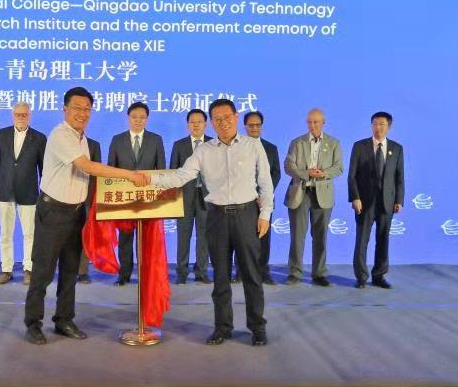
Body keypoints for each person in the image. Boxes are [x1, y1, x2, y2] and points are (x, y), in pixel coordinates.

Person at [144, 99, 274, 346]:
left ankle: (258, 327)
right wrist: (147, 179)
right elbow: (181, 176)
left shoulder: (252, 145)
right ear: (211, 122)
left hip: (247, 215)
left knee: (251, 275)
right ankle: (222, 327)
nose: (223, 122)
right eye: (217, 119)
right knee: (220, 277)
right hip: (216, 217)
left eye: (227, 117)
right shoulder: (204, 150)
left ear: (236, 117)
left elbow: (265, 182)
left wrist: (265, 214)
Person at [24, 87, 148, 345]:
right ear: (65, 109)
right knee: (43, 271)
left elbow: (87, 177)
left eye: (87, 109)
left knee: (71, 270)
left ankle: (64, 320)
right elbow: (87, 167)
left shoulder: (82, 138)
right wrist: (129, 175)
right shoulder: (61, 135)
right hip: (53, 211)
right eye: (77, 108)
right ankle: (33, 324)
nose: (82, 113)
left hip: (76, 212)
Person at [107, 102, 166, 286]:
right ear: (128, 118)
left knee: (145, 241)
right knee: (125, 239)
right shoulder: (117, 140)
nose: (138, 120)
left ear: (147, 119)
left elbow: (161, 170)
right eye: (134, 117)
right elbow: (110, 169)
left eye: (142, 117)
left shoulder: (156, 140)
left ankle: (144, 275)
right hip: (124, 199)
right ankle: (124, 275)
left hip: (148, 200)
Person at [284, 108, 343, 286]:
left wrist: (323, 173)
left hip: (322, 194)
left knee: (320, 236)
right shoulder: (297, 142)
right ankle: (295, 273)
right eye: (309, 122)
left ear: (323, 123)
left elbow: (339, 167)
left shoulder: (333, 143)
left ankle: (319, 274)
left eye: (316, 122)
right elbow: (288, 166)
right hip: (300, 193)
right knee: (297, 236)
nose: (312, 125)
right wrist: (306, 173)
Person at [0, 102, 46, 285]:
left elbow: (43, 168)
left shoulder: (39, 138)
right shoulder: (1, 134)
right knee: (5, 233)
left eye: (24, 114)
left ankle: (28, 269)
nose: (21, 117)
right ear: (12, 115)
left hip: (28, 192)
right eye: (18, 114)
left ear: (30, 116)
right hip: (4, 190)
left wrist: (44, 192)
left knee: (30, 234)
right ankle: (6, 270)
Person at [348, 111, 405, 289]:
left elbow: (399, 177)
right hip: (364, 202)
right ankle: (361, 277)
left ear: (389, 127)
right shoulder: (360, 146)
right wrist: (355, 197)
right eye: (375, 124)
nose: (378, 127)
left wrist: (399, 200)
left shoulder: (396, 148)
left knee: (383, 240)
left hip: (387, 202)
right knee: (362, 240)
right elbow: (352, 176)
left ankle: (379, 276)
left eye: (381, 124)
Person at [233, 111, 282, 285]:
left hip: (264, 201)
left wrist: (263, 194)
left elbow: (276, 173)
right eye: (251, 125)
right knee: (241, 237)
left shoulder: (271, 148)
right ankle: (240, 272)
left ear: (261, 126)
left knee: (264, 237)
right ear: (244, 126)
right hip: (242, 200)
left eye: (257, 125)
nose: (254, 128)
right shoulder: (236, 147)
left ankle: (263, 272)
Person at [169, 108, 212, 284]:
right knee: (183, 236)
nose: (196, 125)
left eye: (199, 122)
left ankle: (202, 271)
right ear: (187, 125)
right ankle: (182, 273)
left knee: (204, 236)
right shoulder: (179, 145)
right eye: (192, 122)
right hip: (184, 197)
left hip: (207, 197)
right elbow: (173, 172)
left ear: (205, 124)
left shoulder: (214, 144)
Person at [77, 136, 102, 284]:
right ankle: (66, 269)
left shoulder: (94, 145)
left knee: (85, 236)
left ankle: (82, 271)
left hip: (87, 198)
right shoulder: (62, 142)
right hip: (64, 198)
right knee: (65, 236)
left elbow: (97, 173)